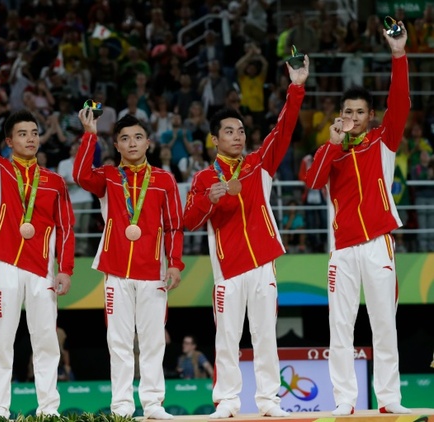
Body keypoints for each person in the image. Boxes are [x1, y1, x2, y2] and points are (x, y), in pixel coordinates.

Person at [182, 54, 309, 419]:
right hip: (228, 271)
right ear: (214, 139)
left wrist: (296, 87)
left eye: (240, 131)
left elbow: (283, 129)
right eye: (228, 131)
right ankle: (227, 402)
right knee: (227, 339)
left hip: (263, 265)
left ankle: (269, 401)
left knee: (266, 336)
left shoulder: (259, 164)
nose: (237, 136)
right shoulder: (204, 179)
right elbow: (188, 221)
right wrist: (212, 198)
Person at [304, 21, 411, 416]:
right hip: (342, 249)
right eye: (347, 111)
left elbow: (400, 102)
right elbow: (314, 182)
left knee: (384, 324)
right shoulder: (329, 152)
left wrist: (398, 56)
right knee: (340, 329)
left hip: (378, 243)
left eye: (360, 111)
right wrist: (331, 146)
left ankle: (389, 400)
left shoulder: (384, 141)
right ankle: (345, 401)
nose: (353, 116)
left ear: (370, 116)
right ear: (340, 116)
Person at [0, 59, 75, 418]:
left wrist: (65, 270)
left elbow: (65, 228)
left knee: (46, 340)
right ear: (8, 141)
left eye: (34, 133)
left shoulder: (54, 181)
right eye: (22, 133)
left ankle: (49, 408)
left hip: (42, 270)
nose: (30, 138)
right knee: (1, 340)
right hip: (4, 264)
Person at [73, 110, 185, 419]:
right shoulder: (109, 176)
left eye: (137, 137)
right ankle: (122, 406)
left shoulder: (164, 180)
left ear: (148, 142)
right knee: (118, 342)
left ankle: (152, 404)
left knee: (151, 342)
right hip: (116, 271)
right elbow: (81, 176)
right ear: (117, 145)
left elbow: (174, 225)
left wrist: (175, 263)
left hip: (154, 272)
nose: (132, 143)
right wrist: (89, 135)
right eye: (124, 138)